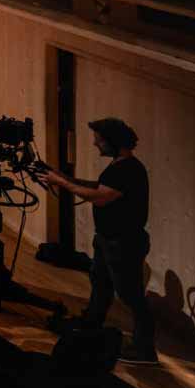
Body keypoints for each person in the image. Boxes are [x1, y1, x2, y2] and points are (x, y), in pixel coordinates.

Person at [34, 117, 155, 365]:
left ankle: (145, 349)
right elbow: (100, 186)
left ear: (113, 141)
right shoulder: (119, 167)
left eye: (99, 141)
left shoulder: (128, 169)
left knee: (130, 295)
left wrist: (63, 183)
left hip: (123, 243)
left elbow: (100, 197)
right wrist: (64, 178)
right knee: (100, 285)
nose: (96, 145)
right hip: (108, 240)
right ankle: (91, 327)